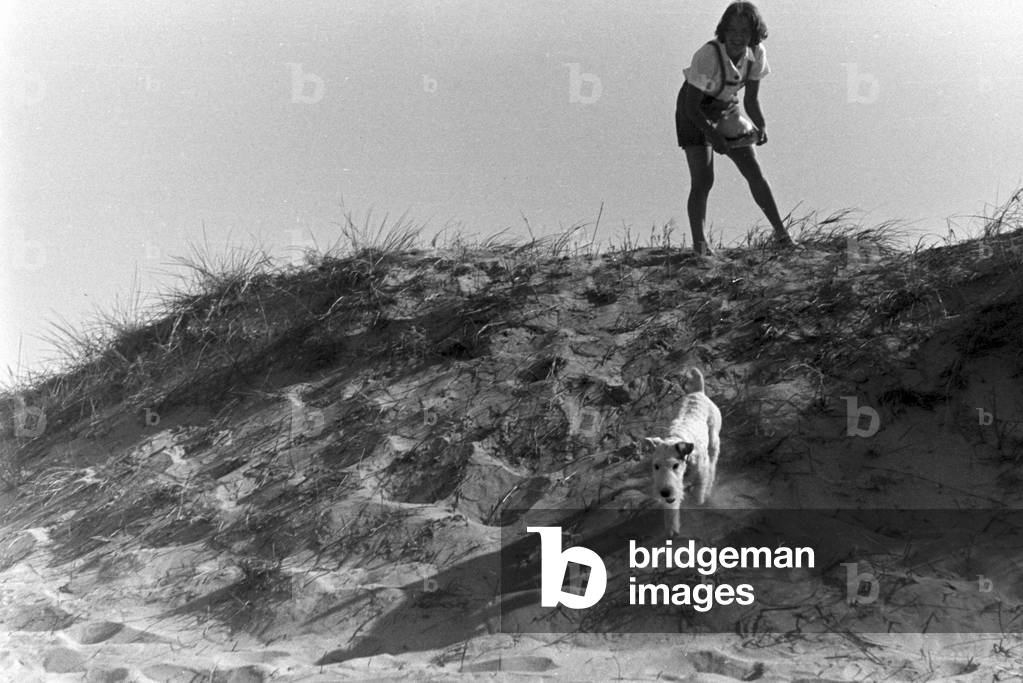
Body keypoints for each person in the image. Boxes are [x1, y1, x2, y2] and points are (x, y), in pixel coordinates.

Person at [675, 1, 796, 255]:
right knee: (703, 179)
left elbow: (750, 99)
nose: (738, 37)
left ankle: (782, 237)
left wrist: (760, 123)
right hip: (694, 111)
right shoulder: (708, 55)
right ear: (724, 30)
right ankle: (701, 247)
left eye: (745, 31)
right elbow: (691, 105)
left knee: (753, 171)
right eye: (733, 30)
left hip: (726, 106)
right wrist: (712, 134)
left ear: (754, 34)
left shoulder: (756, 54)